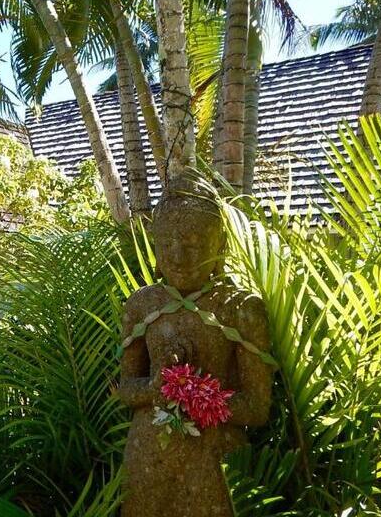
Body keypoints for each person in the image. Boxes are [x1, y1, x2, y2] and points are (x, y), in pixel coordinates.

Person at [119, 171, 272, 517]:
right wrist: (156, 388)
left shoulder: (240, 309)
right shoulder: (142, 305)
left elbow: (257, 408)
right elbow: (124, 388)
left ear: (219, 246)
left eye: (193, 243)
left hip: (213, 461)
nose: (178, 255)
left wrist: (200, 397)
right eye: (167, 243)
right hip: (148, 458)